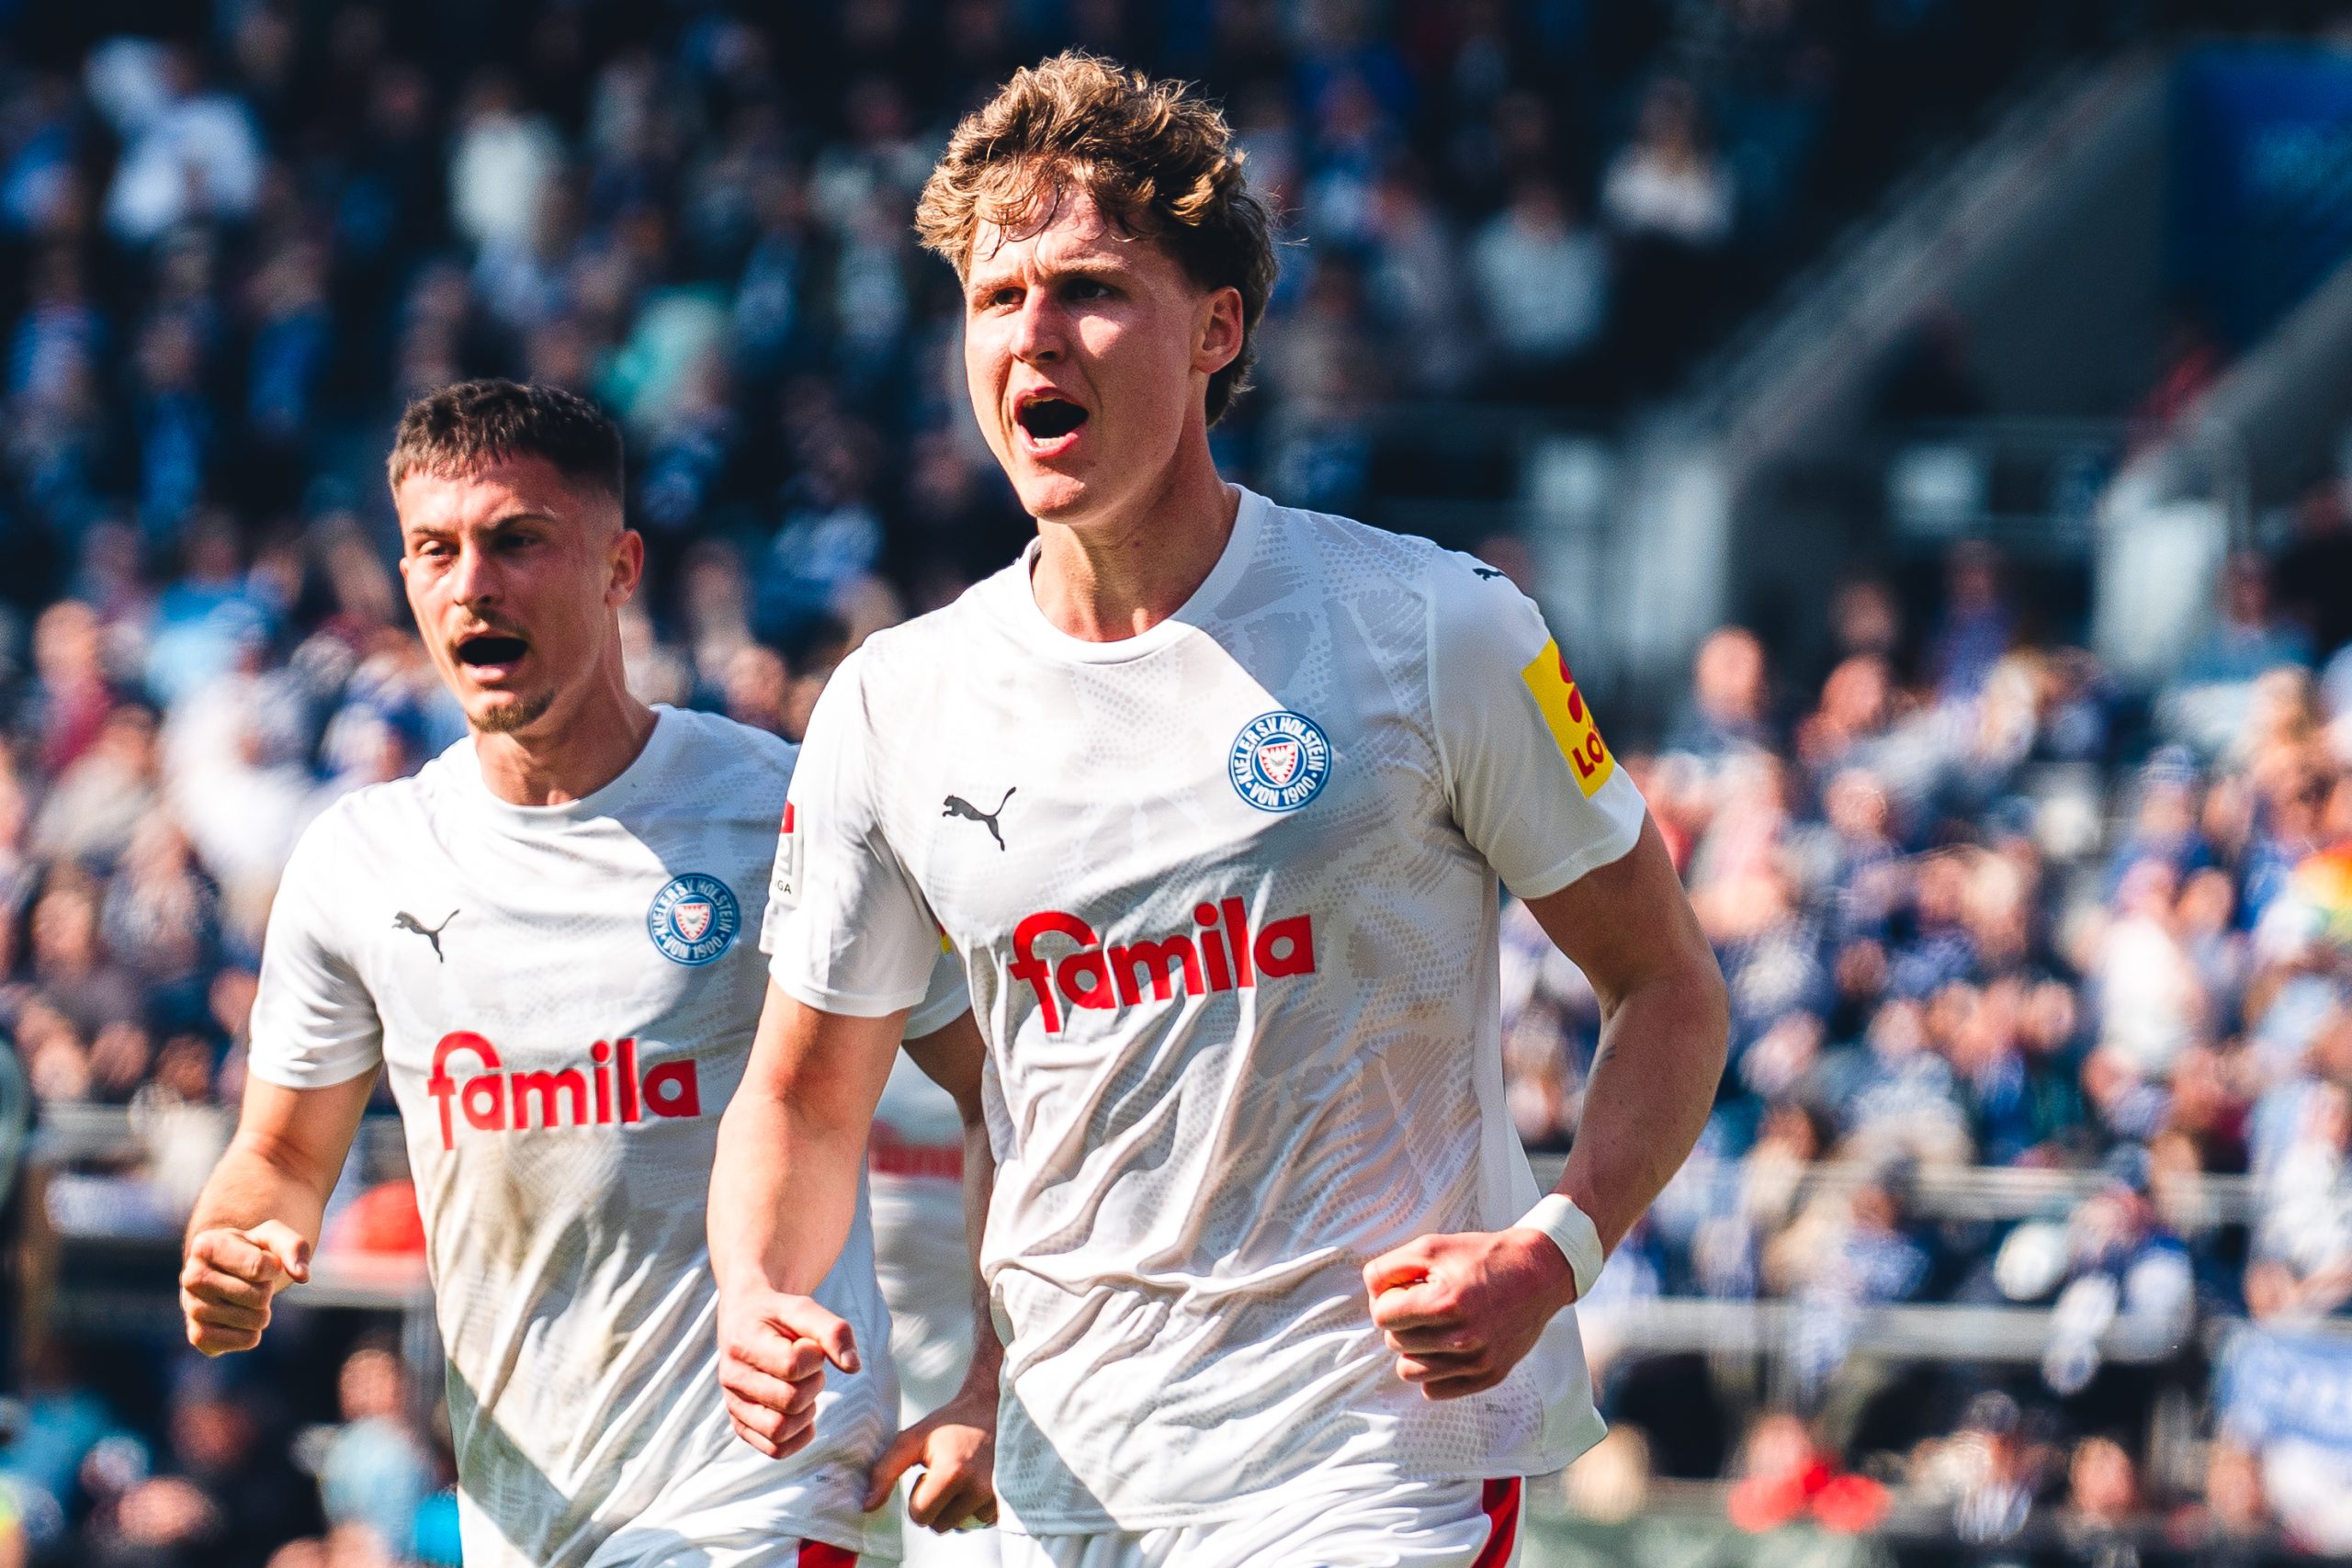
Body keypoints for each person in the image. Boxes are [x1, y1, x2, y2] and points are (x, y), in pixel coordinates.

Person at [711, 53, 1727, 1568]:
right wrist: (756, 1295)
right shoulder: (893, 703)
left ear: (1218, 329)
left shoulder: (1429, 627)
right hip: (1067, 1484)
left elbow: (1668, 984)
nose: (1033, 334)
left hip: (1371, 1470)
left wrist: (1553, 1249)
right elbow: (802, 1097)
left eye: (1090, 291)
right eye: (998, 298)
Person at [176, 380, 995, 1568]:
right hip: (526, 1517)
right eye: (437, 551)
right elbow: (283, 1159)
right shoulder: (360, 862)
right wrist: (232, 1243)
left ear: (620, 568)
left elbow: (1002, 1086)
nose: (473, 585)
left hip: (772, 1497)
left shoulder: (780, 813)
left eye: (517, 541)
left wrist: (992, 1380)